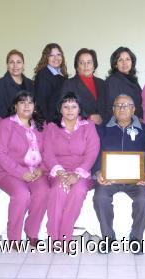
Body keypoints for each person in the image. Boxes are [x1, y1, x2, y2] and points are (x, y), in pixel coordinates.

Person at [93, 94, 145, 251]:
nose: (122, 109)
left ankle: (136, 237)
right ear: (113, 110)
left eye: (126, 105)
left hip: (135, 180)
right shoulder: (102, 129)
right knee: (99, 197)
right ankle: (108, 237)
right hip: (110, 179)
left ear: (133, 109)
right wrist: (98, 172)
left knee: (144, 200)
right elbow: (94, 153)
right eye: (118, 106)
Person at [0, 91, 49, 243]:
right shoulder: (6, 124)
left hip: (36, 172)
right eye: (22, 102)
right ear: (15, 106)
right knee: (22, 195)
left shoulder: (41, 125)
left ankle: (32, 232)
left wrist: (42, 168)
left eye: (30, 102)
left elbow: (49, 152)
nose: (26, 105)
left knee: (44, 191)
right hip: (9, 172)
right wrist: (21, 172)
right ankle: (14, 236)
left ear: (35, 107)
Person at [43, 92, 100, 243]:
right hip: (58, 172)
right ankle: (53, 237)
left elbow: (92, 152)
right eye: (66, 107)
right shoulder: (51, 127)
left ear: (79, 109)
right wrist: (60, 171)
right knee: (58, 190)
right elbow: (47, 152)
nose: (70, 110)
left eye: (73, 106)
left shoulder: (88, 126)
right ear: (60, 109)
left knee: (79, 190)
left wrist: (77, 174)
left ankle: (65, 236)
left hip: (82, 173)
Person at [61, 48, 107, 124]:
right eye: (82, 63)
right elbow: (63, 109)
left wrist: (102, 117)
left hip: (102, 128)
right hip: (80, 128)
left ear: (94, 65)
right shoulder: (69, 84)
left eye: (89, 62)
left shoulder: (102, 83)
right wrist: (88, 117)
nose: (86, 66)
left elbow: (107, 107)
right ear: (77, 66)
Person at [0, 49, 34, 118]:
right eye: (11, 62)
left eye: (18, 62)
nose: (15, 65)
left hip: (28, 124)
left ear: (23, 65)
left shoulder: (30, 83)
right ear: (7, 65)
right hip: (9, 125)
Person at [105, 47, 143, 119]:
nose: (124, 63)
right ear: (115, 64)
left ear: (132, 62)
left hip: (135, 123)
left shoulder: (133, 80)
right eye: (120, 60)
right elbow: (112, 109)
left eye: (127, 59)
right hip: (121, 125)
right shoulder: (112, 82)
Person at [33, 43, 68, 122]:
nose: (56, 58)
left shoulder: (62, 75)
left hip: (61, 120)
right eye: (51, 55)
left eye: (58, 54)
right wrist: (48, 125)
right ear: (46, 58)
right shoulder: (43, 75)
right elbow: (41, 103)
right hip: (50, 123)